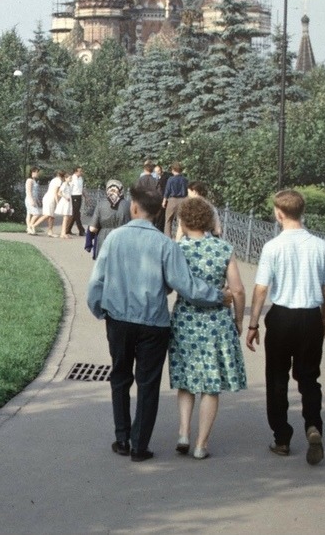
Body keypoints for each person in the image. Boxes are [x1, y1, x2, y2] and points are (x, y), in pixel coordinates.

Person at [86, 182, 230, 462]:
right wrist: (217, 296)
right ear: (156, 212)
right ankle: (140, 446)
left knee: (120, 377)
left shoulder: (114, 239)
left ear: (134, 207)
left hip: (119, 320)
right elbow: (185, 285)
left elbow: (96, 282)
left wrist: (99, 310)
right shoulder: (166, 245)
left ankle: (122, 438)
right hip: (154, 323)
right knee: (148, 384)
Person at [246, 189, 325, 466]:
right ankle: (313, 426)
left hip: (282, 317)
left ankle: (282, 437)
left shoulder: (273, 247)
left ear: (279, 213)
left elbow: (261, 289)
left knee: (277, 378)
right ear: (303, 211)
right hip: (310, 315)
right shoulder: (321, 246)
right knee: (309, 377)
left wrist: (253, 324)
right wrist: (323, 318)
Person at [169, 197, 247, 460]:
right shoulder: (224, 248)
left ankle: (183, 433)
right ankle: (201, 445)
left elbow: (170, 284)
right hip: (217, 322)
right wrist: (239, 320)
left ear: (182, 221)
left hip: (186, 319)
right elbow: (236, 289)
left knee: (186, 379)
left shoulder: (177, 250)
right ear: (208, 220)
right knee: (211, 384)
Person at [85, 179, 130, 260]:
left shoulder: (101, 205)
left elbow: (92, 228)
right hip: (122, 240)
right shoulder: (128, 205)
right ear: (121, 190)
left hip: (103, 239)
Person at [162, 162, 189, 239]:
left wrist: (164, 201)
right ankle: (180, 238)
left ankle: (167, 237)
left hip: (172, 200)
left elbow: (167, 191)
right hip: (183, 200)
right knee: (180, 221)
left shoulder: (170, 179)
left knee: (168, 220)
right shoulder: (185, 180)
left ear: (173, 170)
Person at [38, 170, 65, 236]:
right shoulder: (59, 181)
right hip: (50, 199)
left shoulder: (54, 180)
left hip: (49, 198)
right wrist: (58, 202)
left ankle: (50, 231)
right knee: (47, 215)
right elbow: (56, 193)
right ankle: (33, 225)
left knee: (51, 216)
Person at [68, 166, 86, 236]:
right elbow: (69, 188)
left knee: (75, 214)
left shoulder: (81, 178)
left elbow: (81, 189)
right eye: (79, 171)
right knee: (77, 213)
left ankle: (68, 229)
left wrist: (86, 197)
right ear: (75, 172)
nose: (81, 172)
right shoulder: (72, 178)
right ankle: (81, 230)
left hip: (79, 196)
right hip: (73, 196)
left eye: (81, 171)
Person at [24, 167, 42, 235]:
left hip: (33, 199)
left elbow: (36, 192)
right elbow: (28, 191)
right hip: (30, 199)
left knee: (29, 214)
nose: (37, 174)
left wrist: (37, 201)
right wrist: (31, 200)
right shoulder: (29, 180)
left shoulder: (34, 181)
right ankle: (31, 226)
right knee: (36, 213)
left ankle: (29, 228)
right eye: (36, 172)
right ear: (32, 172)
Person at [55, 173, 73, 238]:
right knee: (65, 217)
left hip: (68, 201)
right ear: (65, 178)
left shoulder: (69, 185)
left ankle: (63, 232)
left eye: (71, 178)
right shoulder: (64, 184)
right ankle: (63, 233)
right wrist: (65, 197)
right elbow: (59, 193)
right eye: (69, 178)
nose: (71, 179)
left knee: (67, 218)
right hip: (65, 201)